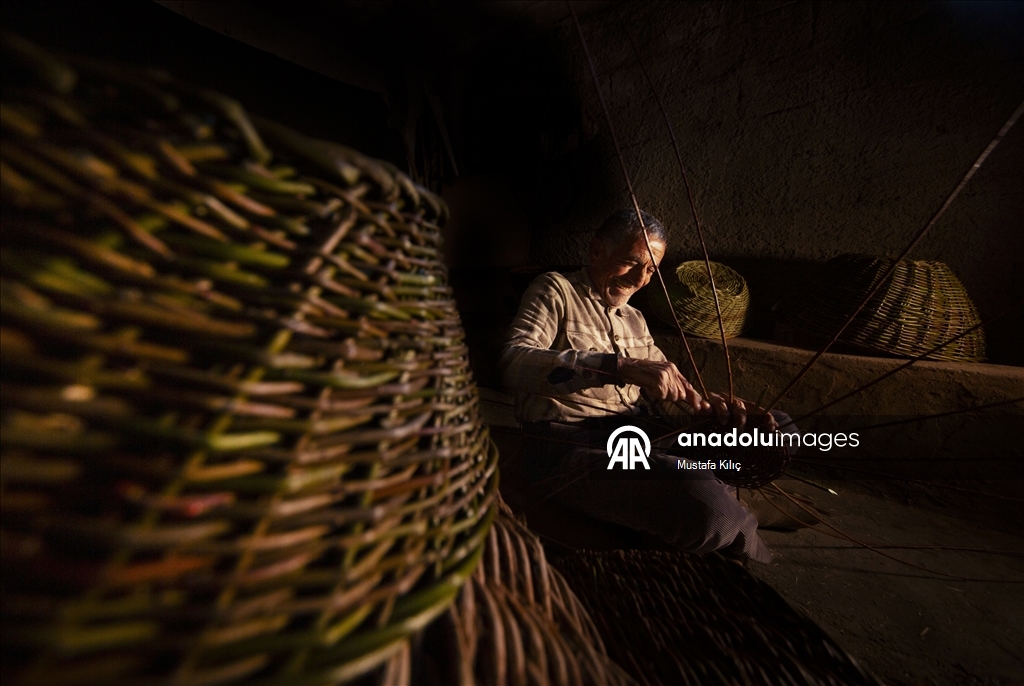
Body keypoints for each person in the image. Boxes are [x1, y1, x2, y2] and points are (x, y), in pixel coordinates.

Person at [499, 208, 781, 563]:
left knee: (776, 428)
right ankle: (727, 507)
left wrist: (713, 412)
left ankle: (708, 485)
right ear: (597, 250)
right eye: (631, 262)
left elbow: (671, 396)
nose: (639, 279)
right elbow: (513, 363)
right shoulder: (556, 290)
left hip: (641, 437)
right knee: (708, 507)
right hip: (570, 449)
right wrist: (616, 367)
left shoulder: (635, 319)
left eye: (650, 270)